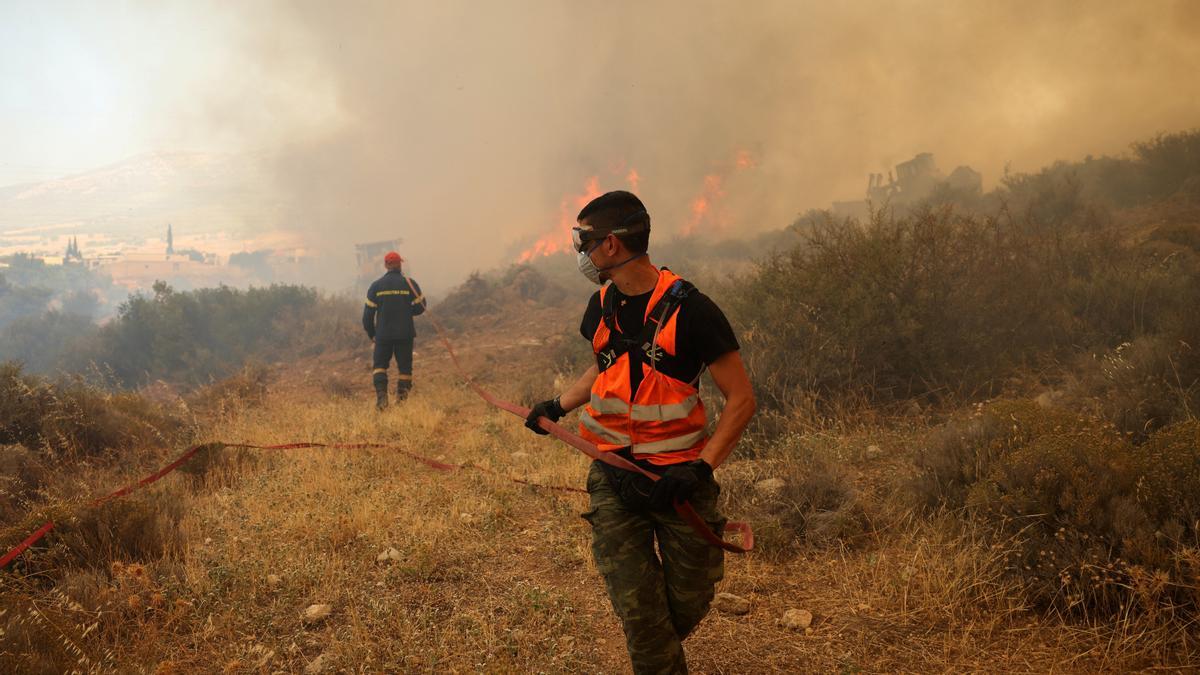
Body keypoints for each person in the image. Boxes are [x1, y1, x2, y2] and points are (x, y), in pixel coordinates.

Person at [523, 191, 756, 674]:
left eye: (585, 241)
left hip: (678, 485)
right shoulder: (601, 305)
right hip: (613, 478)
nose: (582, 253)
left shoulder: (694, 310)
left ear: (611, 245)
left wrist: (699, 470)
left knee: (687, 602)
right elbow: (605, 370)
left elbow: (742, 400)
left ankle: (655, 649)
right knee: (641, 616)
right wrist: (555, 407)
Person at [363, 251, 427, 409]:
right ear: (400, 264)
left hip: (383, 335)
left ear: (386, 265)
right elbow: (421, 306)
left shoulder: (376, 286)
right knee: (405, 368)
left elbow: (367, 316)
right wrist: (406, 312)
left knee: (379, 366)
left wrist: (372, 334)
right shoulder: (409, 283)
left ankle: (382, 400)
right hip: (405, 334)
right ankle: (401, 403)